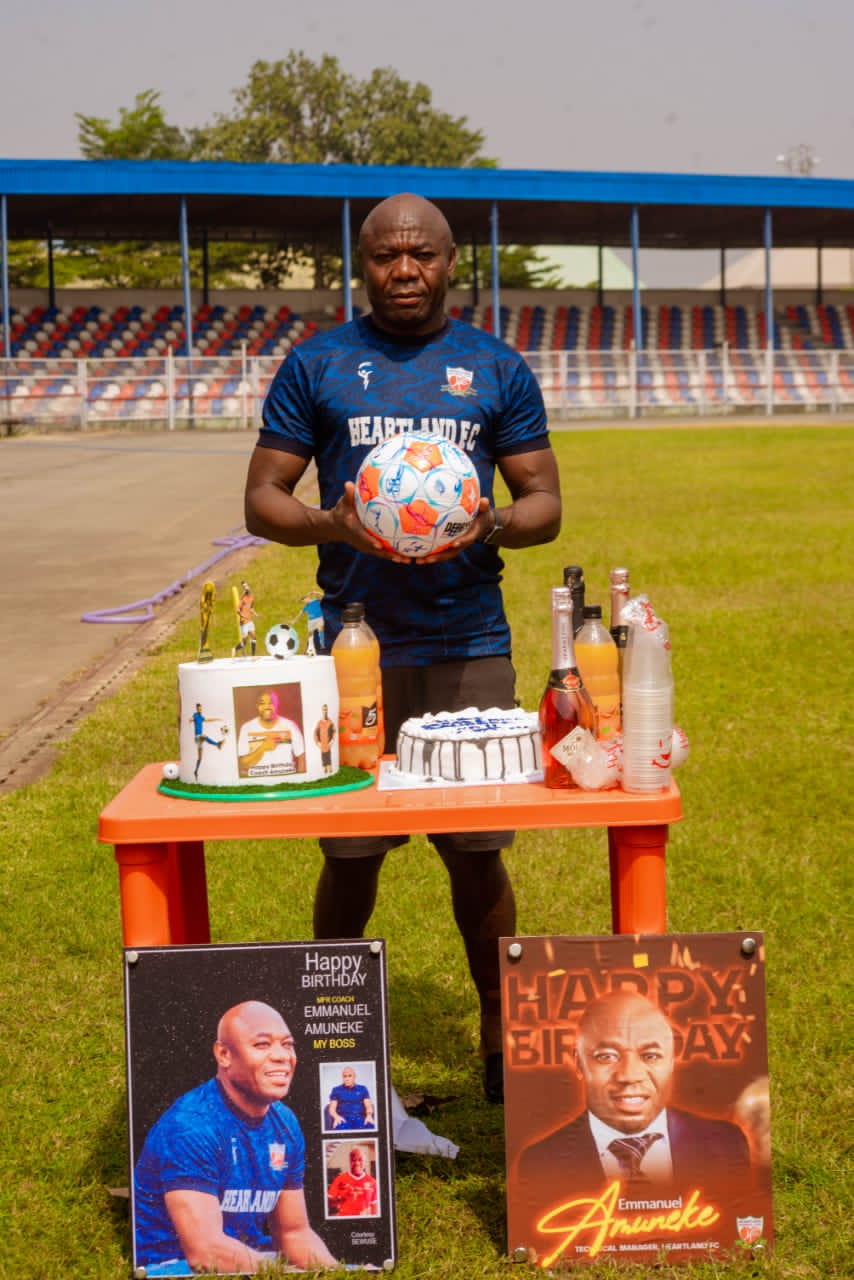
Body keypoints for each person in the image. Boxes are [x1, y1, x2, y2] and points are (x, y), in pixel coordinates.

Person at [244, 192, 561, 1103]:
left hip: (469, 641)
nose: (405, 270)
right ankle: (325, 1043)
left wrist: (489, 523)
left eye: (422, 254)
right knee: (350, 854)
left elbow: (545, 502)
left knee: (477, 853)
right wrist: (331, 524)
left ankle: (502, 1038)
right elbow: (262, 497)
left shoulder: (494, 366)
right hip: (356, 649)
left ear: (452, 261)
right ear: (364, 264)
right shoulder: (318, 363)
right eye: (387, 256)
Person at [133, 1000, 336, 1275]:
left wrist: (341, 1272)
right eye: (262, 1044)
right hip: (174, 1266)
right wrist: (287, 1274)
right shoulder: (191, 1125)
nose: (282, 1056)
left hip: (246, 1262)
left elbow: (294, 1234)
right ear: (224, 1055)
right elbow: (205, 1252)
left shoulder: (285, 1122)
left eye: (287, 1044)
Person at [514, 991, 751, 1207]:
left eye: (650, 1056)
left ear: (671, 1061)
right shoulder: (540, 1162)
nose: (629, 1075)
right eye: (606, 1056)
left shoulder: (727, 1145)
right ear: (579, 1063)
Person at [237, 689, 306, 778]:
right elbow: (243, 764)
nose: (267, 707)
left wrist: (299, 781)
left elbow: (302, 757)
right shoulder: (247, 728)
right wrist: (262, 748)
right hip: (259, 783)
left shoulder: (290, 726)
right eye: (262, 703)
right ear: (257, 706)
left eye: (271, 702)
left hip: (286, 781)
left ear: (277, 704)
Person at [327, 1146, 379, 1217]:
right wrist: (342, 1198)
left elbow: (374, 1206)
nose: (357, 1163)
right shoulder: (339, 1179)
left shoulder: (372, 1181)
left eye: (360, 1160)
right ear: (350, 1161)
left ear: (365, 1162)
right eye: (353, 1160)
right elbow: (328, 1203)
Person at [325, 1066, 376, 1130]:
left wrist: (369, 1115)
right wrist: (336, 1117)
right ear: (342, 1078)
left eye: (350, 1076)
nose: (347, 1078)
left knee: (370, 1126)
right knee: (341, 1128)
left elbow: (368, 1105)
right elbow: (332, 1109)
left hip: (359, 1118)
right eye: (345, 1076)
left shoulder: (362, 1089)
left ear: (354, 1077)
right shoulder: (336, 1090)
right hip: (343, 1118)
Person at [189, 703, 224, 779]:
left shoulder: (201, 717)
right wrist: (190, 719)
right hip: (197, 737)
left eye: (201, 708)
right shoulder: (195, 715)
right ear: (197, 709)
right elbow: (192, 718)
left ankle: (196, 771)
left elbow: (209, 720)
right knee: (203, 736)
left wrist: (217, 719)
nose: (200, 709)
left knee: (200, 758)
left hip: (200, 740)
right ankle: (217, 744)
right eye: (199, 708)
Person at [233, 581, 258, 657]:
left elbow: (251, 607)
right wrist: (242, 615)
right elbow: (237, 610)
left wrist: (255, 613)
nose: (246, 587)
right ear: (243, 589)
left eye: (246, 585)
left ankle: (253, 656)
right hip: (244, 622)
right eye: (244, 587)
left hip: (249, 621)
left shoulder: (251, 597)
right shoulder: (242, 599)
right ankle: (234, 649)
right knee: (244, 642)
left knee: (254, 637)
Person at [313, 704, 337, 775]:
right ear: (322, 710)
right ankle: (324, 766)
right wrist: (317, 742)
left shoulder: (330, 722)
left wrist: (332, 740)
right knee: (323, 757)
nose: (325, 711)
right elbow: (315, 733)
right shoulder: (319, 723)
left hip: (328, 744)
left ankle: (329, 766)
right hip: (322, 745)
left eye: (326, 709)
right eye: (324, 709)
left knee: (328, 756)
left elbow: (334, 731)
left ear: (327, 710)